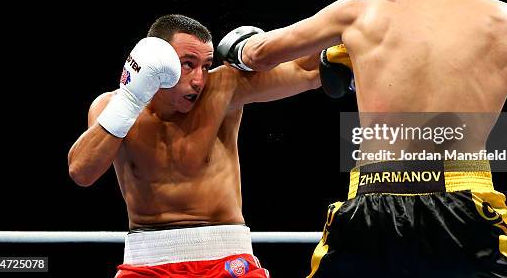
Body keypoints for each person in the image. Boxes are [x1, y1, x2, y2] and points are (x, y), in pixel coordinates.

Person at [217, 0, 507, 277]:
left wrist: (239, 45)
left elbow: (261, 54)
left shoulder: (364, 11)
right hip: (466, 201)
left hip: (374, 200)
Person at [68, 14, 320, 277]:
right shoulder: (111, 106)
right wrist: (131, 100)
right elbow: (81, 173)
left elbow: (308, 71)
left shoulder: (222, 87)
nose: (199, 79)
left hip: (226, 258)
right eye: (187, 64)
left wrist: (356, 25)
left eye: (206, 65)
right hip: (146, 264)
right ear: (156, 61)